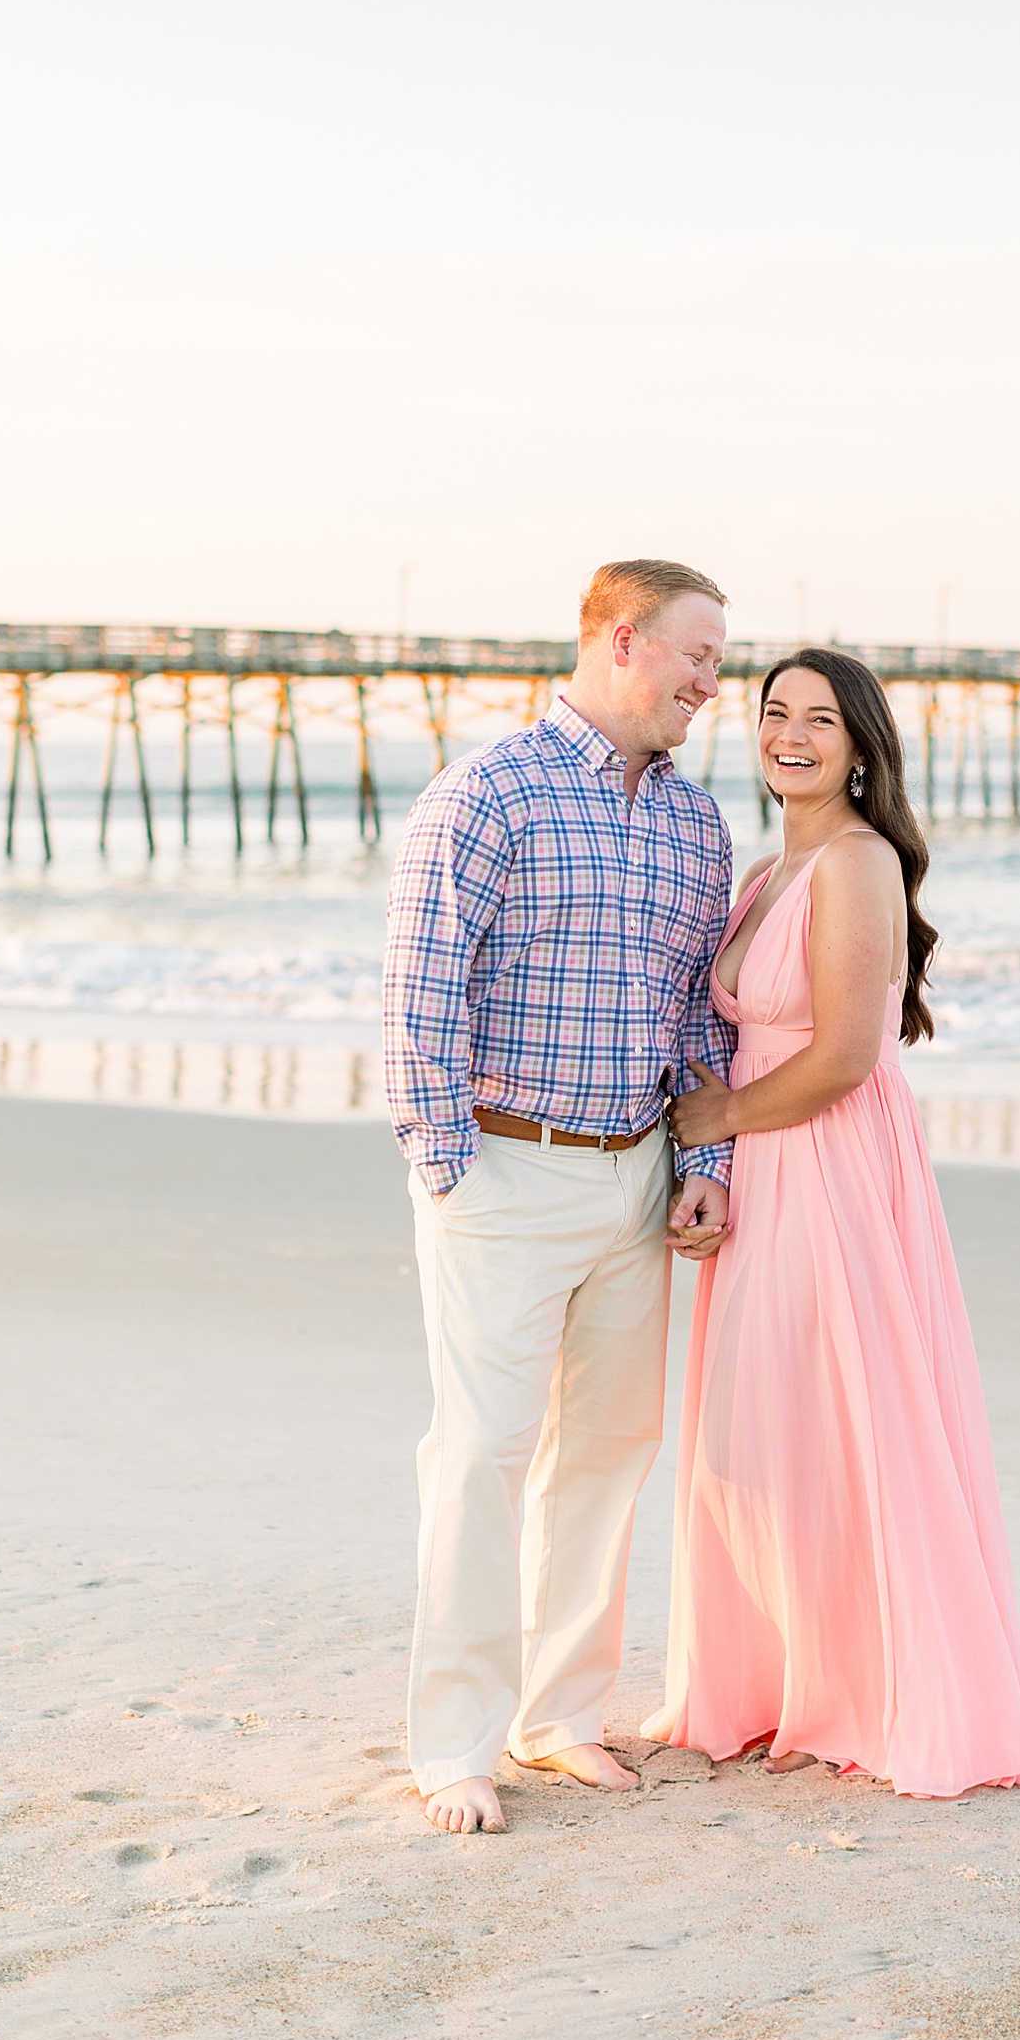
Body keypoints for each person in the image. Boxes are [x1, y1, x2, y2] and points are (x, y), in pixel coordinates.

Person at [649, 647, 1020, 1798]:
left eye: (821, 719)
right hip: (766, 1162)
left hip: (825, 1158)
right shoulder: (774, 864)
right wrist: (711, 1154)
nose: (792, 734)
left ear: (863, 745)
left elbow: (841, 1056)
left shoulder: (859, 862)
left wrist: (713, 1115)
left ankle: (880, 1688)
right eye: (774, 712)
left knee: (847, 1409)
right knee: (776, 1420)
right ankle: (786, 1678)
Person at [383, 559, 736, 1836]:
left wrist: (704, 1165)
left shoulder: (698, 824)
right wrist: (449, 1168)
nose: (714, 684)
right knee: (482, 1454)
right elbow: (420, 991)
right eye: (699, 656)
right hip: (503, 1168)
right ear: (625, 639)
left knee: (606, 1451)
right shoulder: (486, 791)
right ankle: (454, 1746)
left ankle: (559, 1715)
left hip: (637, 1174)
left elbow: (699, 1013)